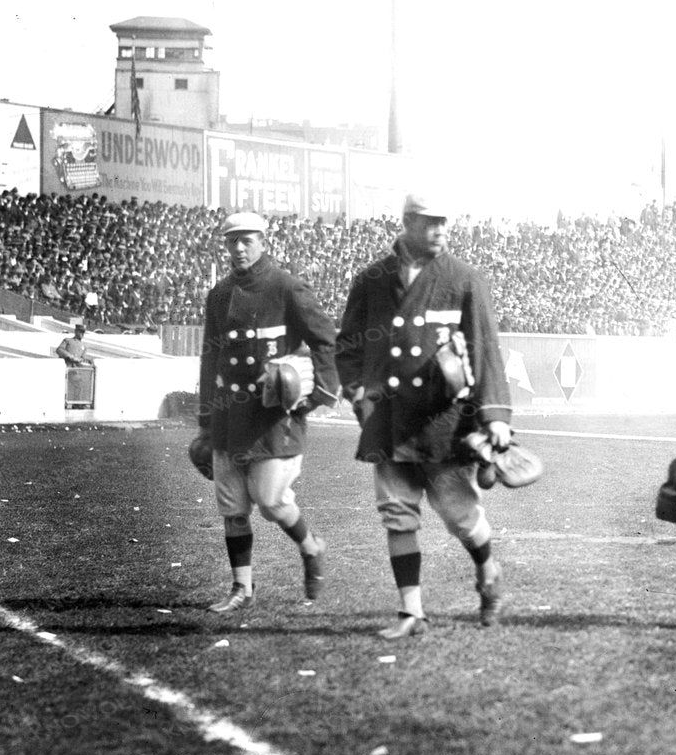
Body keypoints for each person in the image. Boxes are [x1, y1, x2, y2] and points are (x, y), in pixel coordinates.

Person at [336, 193, 514, 639]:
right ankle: (411, 611)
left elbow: (485, 350)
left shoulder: (464, 279)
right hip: (389, 418)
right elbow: (349, 344)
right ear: (408, 222)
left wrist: (495, 416)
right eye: (430, 221)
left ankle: (488, 571)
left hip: (445, 422)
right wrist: (357, 390)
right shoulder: (372, 279)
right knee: (397, 513)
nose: (440, 229)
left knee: (460, 517)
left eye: (444, 222)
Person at [196, 211, 341, 615]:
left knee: (271, 499)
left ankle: (312, 546)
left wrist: (319, 392)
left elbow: (325, 340)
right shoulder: (219, 295)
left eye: (247, 240)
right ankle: (242, 587)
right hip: (230, 416)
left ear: (263, 242)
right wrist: (206, 420)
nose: (239, 248)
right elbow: (210, 359)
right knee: (233, 506)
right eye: (232, 241)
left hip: (274, 417)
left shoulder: (287, 287)